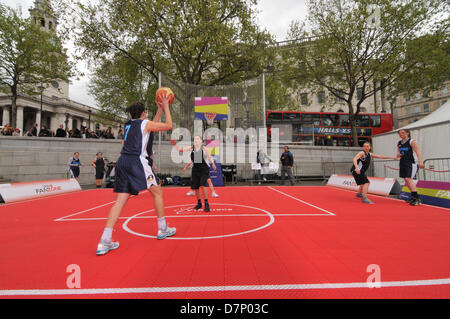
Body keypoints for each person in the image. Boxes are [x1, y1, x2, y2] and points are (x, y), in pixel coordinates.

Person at [96, 97, 175, 256]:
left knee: (120, 201)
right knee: (158, 192)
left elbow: (150, 127)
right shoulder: (144, 124)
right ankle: (162, 228)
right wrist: (166, 106)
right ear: (143, 113)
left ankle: (104, 240)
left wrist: (158, 109)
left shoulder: (128, 125)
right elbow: (169, 125)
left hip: (122, 161)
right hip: (136, 161)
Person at [174, 136, 217, 212]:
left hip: (204, 169)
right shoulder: (192, 148)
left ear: (201, 141)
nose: (196, 140)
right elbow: (180, 150)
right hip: (195, 170)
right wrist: (175, 145)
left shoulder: (204, 149)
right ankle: (199, 203)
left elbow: (210, 157)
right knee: (196, 187)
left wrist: (213, 163)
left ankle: (206, 204)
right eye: (194, 139)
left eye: (197, 139)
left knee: (202, 185)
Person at [396, 129, 424, 206]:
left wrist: (420, 161)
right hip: (403, 162)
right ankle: (413, 196)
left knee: (409, 179)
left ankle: (417, 198)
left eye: (403, 133)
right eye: (400, 133)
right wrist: (398, 155)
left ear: (407, 133)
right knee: (406, 179)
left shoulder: (412, 141)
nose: (401, 134)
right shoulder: (399, 143)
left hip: (412, 162)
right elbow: (398, 152)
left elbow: (418, 151)